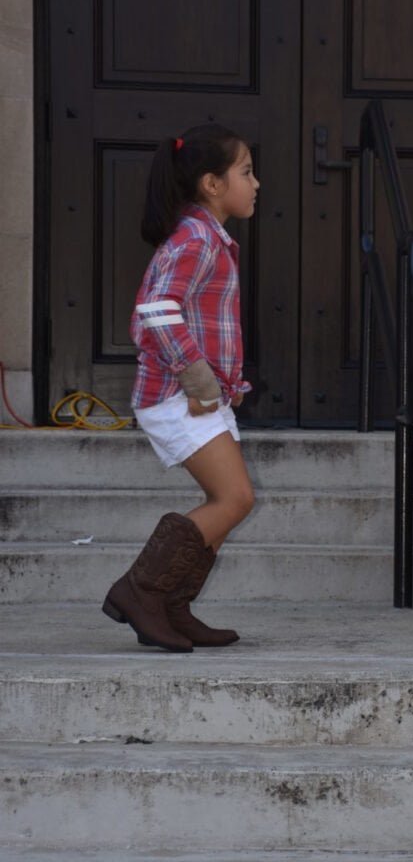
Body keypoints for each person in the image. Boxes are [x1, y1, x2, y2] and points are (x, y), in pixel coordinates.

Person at [102, 124, 259, 653]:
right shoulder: (195, 239)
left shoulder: (208, 237)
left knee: (231, 499)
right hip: (175, 395)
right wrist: (198, 376)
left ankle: (171, 604)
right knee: (234, 498)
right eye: (246, 172)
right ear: (213, 184)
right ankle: (140, 590)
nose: (256, 183)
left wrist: (226, 383)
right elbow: (154, 313)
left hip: (196, 395)